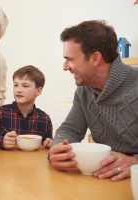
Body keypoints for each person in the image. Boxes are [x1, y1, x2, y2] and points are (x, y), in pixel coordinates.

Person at [49, 20, 138, 181]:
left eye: (70, 59)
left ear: (95, 58)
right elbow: (70, 129)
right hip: (104, 180)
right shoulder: (84, 90)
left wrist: (134, 162)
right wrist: (57, 149)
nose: (65, 66)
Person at [0, 65, 53, 149]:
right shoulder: (2, 112)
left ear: (38, 91)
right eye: (16, 85)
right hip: (6, 161)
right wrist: (1, 141)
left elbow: (48, 143)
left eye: (25, 86)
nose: (18, 90)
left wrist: (50, 143)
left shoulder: (44, 119)